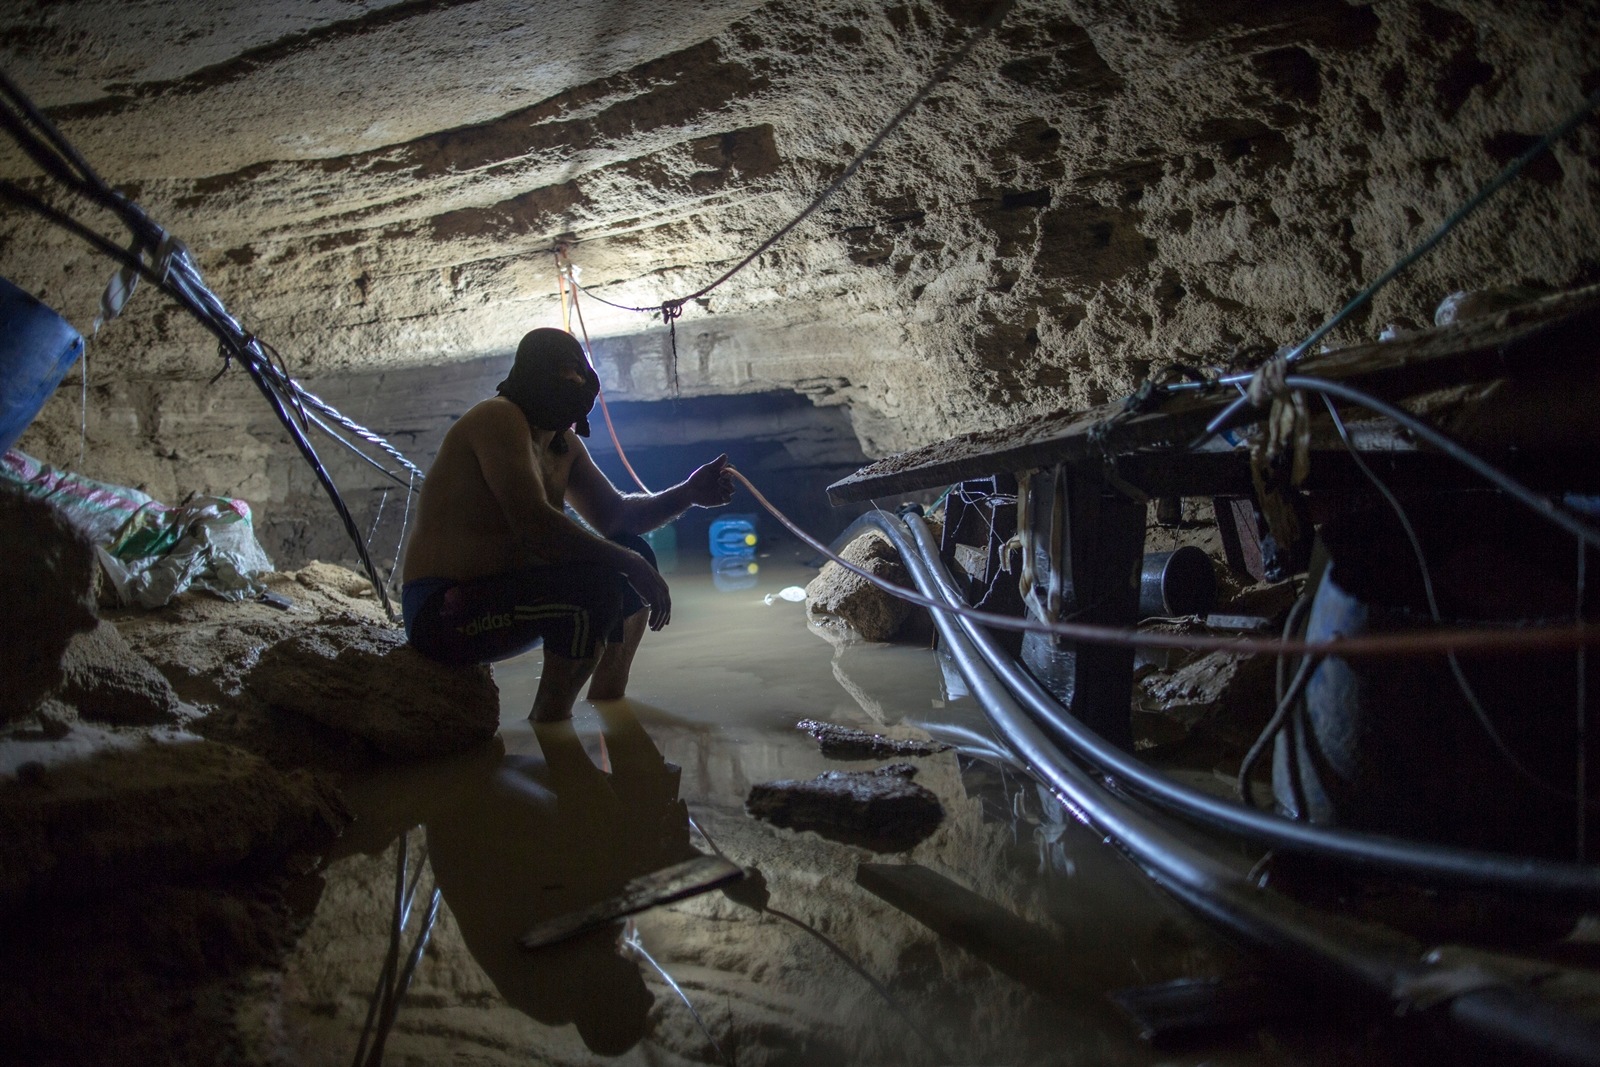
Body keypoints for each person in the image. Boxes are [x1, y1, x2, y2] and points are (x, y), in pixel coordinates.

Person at [401, 327, 734, 720]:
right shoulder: (498, 418)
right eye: (564, 376)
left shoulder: (563, 445)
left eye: (579, 377)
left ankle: (610, 706)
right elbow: (536, 526)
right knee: (595, 586)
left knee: (633, 550)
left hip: (512, 598)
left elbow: (616, 516)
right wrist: (627, 564)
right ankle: (551, 725)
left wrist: (687, 494)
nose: (573, 386)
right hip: (444, 611)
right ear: (534, 380)